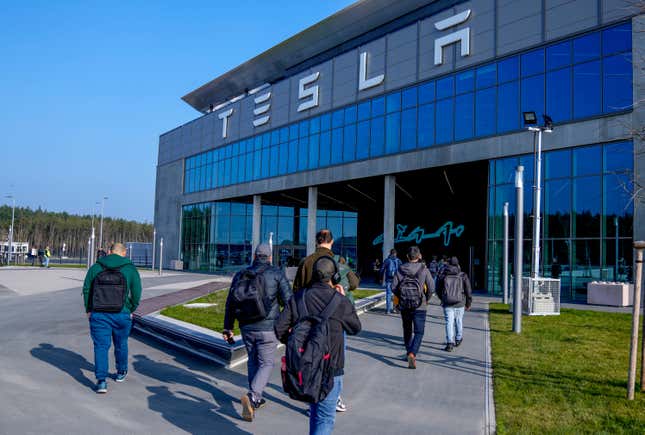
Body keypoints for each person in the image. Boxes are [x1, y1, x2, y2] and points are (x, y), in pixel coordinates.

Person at [275, 256, 361, 435]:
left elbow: (279, 328)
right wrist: (344, 299)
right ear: (334, 276)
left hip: (305, 365)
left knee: (315, 413)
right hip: (331, 367)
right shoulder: (340, 301)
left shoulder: (299, 297)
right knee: (324, 418)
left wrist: (295, 345)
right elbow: (355, 328)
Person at [222, 243, 292, 422]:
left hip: (246, 327)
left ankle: (256, 398)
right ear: (269, 257)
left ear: (254, 256)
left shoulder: (241, 274)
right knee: (267, 363)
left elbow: (230, 303)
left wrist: (227, 327)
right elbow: (289, 302)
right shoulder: (276, 273)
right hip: (269, 328)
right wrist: (288, 324)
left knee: (253, 360)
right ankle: (253, 397)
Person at [293, 229, 357, 413]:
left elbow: (296, 290)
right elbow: (353, 283)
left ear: (316, 241)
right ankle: (333, 397)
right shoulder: (339, 261)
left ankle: (312, 396)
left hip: (309, 319)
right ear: (332, 241)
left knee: (312, 357)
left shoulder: (306, 262)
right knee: (335, 361)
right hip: (334, 318)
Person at [82, 242, 142, 393]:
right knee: (121, 343)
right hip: (122, 313)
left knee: (101, 346)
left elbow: (87, 289)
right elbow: (137, 292)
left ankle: (101, 381)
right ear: (124, 253)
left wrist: (89, 309)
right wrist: (131, 308)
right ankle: (121, 372)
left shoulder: (96, 267)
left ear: (109, 252)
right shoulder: (130, 268)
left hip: (99, 313)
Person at [392, 246, 434, 369]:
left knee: (407, 330)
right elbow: (431, 287)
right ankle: (412, 353)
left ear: (407, 256)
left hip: (405, 305)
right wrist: (426, 298)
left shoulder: (400, 269)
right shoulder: (424, 269)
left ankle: (408, 352)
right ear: (419, 256)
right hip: (420, 305)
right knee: (419, 332)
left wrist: (401, 296)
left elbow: (393, 287)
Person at [436, 256, 472, 352]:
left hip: (447, 302)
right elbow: (468, 290)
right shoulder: (463, 275)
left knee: (449, 322)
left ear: (448, 264)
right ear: (458, 264)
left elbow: (438, 289)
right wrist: (468, 303)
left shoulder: (443, 275)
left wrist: (442, 298)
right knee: (459, 320)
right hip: (460, 302)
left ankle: (449, 343)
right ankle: (458, 339)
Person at [380, 249, 402, 314]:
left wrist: (381, 278)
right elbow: (402, 270)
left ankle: (388, 310)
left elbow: (382, 269)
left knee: (388, 294)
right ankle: (396, 309)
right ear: (396, 253)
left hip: (388, 280)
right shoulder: (399, 261)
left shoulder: (387, 260)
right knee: (397, 295)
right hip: (396, 280)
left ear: (390, 253)